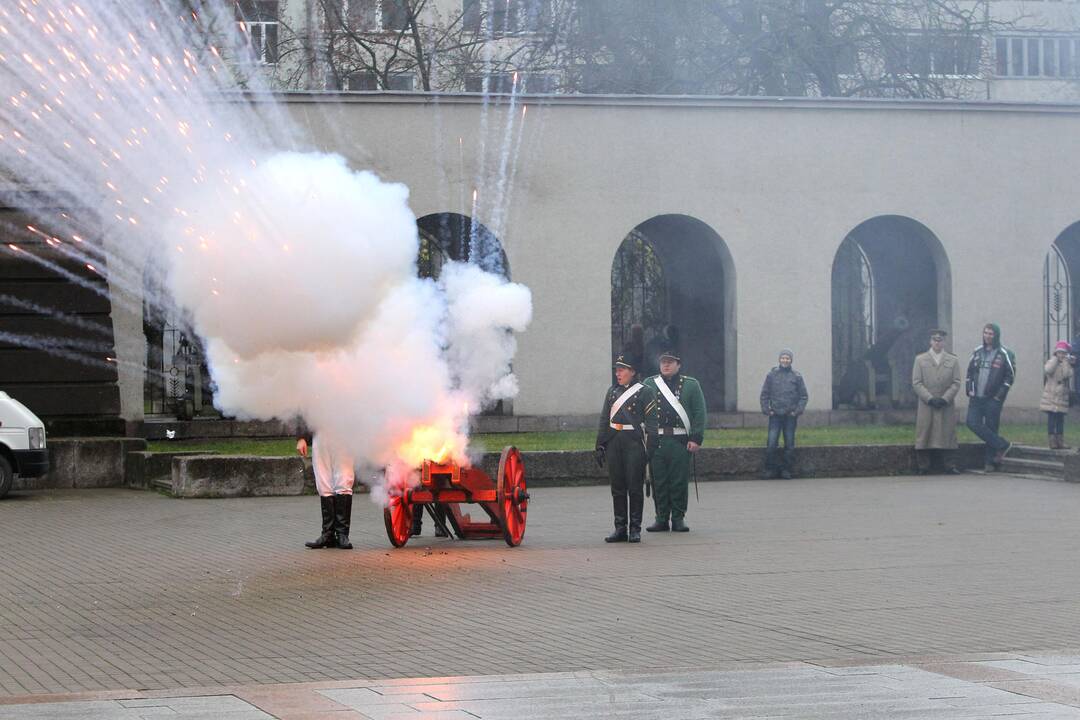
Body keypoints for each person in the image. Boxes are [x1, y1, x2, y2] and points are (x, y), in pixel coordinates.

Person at [595, 353, 657, 544]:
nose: (618, 373)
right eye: (617, 369)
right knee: (618, 487)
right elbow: (605, 420)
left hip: (634, 443)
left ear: (633, 372)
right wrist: (599, 444)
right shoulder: (612, 392)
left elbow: (652, 426)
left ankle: (635, 529)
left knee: (635, 488)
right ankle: (620, 527)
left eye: (622, 369)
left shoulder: (645, 392)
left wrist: (650, 451)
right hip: (615, 441)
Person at [643, 349, 705, 533]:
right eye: (663, 362)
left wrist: (696, 438)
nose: (666, 365)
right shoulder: (649, 384)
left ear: (678, 365)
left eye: (670, 362)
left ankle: (678, 518)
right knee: (659, 481)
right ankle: (661, 518)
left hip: (679, 440)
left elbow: (699, 413)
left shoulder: (691, 385)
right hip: (657, 440)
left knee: (678, 481)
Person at [965, 323, 1015, 471]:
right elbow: (969, 373)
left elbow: (1010, 377)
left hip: (993, 398)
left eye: (991, 334)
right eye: (985, 333)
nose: (987, 336)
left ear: (996, 335)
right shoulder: (977, 352)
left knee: (991, 428)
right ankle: (1002, 445)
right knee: (971, 422)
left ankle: (990, 462)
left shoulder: (1005, 353)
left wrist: (999, 396)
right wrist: (970, 389)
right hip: (976, 397)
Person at [911, 329, 962, 474]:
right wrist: (929, 398)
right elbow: (916, 382)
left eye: (940, 340)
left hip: (945, 403)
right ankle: (923, 466)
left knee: (947, 434)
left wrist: (946, 398)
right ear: (930, 341)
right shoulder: (920, 360)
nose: (937, 342)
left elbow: (956, 382)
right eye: (934, 339)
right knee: (924, 433)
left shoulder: (953, 360)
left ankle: (950, 465)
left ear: (944, 342)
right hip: (927, 403)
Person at [296, 432, 356, 549]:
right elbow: (305, 413)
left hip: (344, 432)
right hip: (320, 434)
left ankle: (342, 534)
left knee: (344, 481)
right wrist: (301, 437)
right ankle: (328, 534)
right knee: (323, 482)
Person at [759, 349, 808, 479]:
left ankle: (787, 470)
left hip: (790, 416)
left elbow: (803, 396)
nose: (785, 360)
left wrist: (796, 411)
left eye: (787, 358)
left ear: (791, 360)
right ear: (779, 359)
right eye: (783, 358)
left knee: (789, 445)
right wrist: (766, 409)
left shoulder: (797, 376)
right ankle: (770, 470)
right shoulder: (771, 375)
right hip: (775, 415)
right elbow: (764, 394)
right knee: (771, 444)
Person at [1041, 341, 1074, 449]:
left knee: (1060, 419)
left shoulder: (1066, 364)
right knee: (1052, 419)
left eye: (1064, 353)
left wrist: (1065, 362)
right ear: (1056, 353)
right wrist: (1055, 360)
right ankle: (1052, 441)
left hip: (1061, 396)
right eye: (1059, 353)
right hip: (1051, 395)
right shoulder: (1051, 361)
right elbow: (1048, 370)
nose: (1061, 355)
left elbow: (1066, 374)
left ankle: (1060, 441)